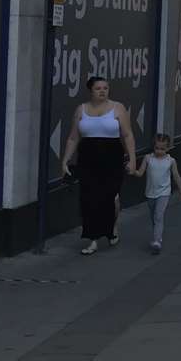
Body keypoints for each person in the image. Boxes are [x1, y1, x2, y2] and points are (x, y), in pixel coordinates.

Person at [61, 76, 136, 256]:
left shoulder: (118, 108)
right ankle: (93, 239)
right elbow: (73, 137)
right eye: (98, 88)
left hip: (112, 157)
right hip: (88, 157)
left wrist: (132, 159)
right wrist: (65, 160)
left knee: (110, 197)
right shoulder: (81, 110)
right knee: (89, 198)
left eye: (105, 88)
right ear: (91, 91)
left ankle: (111, 228)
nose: (102, 91)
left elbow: (127, 135)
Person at [132, 133, 181, 254]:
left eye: (162, 149)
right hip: (150, 193)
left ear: (167, 148)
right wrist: (133, 171)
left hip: (164, 192)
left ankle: (157, 241)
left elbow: (176, 176)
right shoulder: (148, 158)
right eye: (157, 148)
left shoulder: (170, 161)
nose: (159, 151)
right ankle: (158, 234)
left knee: (158, 215)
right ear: (153, 147)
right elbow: (140, 173)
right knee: (154, 217)